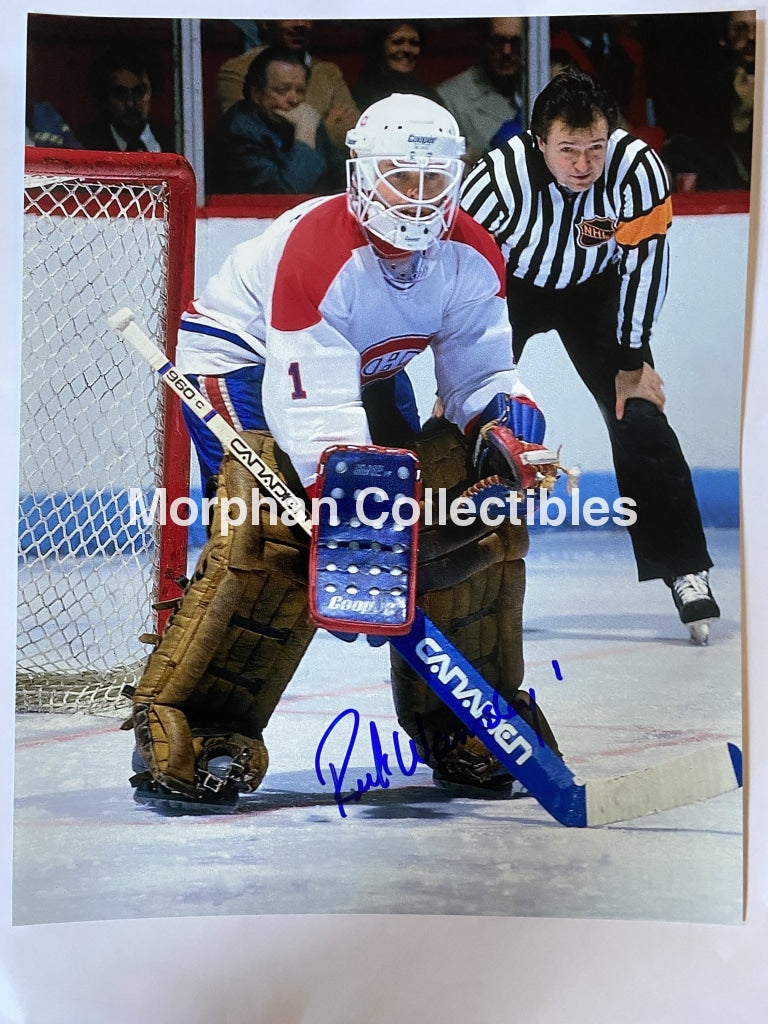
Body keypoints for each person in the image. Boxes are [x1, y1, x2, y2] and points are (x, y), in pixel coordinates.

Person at [127, 93, 562, 812]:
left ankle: (464, 727)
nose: (419, 199)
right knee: (274, 538)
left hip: (366, 369)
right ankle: (195, 730)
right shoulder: (321, 250)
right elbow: (318, 417)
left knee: (464, 517)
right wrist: (357, 543)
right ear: (362, 173)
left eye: (433, 180)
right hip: (240, 361)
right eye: (400, 177)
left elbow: (482, 376)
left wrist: (504, 432)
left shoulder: (473, 252)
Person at [461, 68, 720, 644]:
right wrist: (461, 371)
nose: (584, 164)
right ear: (537, 144)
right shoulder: (495, 181)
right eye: (568, 150)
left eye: (595, 147)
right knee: (470, 420)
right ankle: (454, 571)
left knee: (641, 418)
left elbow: (645, 265)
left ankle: (684, 568)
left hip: (597, 293)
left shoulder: (637, 169)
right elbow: (462, 277)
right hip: (511, 291)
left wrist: (632, 362)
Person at [207, 46, 345, 196]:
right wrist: (305, 134)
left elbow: (341, 177)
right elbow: (286, 192)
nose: (294, 99)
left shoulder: (300, 118)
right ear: (257, 94)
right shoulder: (236, 133)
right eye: (282, 90)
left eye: (300, 91)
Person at [216, 20, 359, 151]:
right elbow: (249, 138)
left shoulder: (328, 72)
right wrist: (317, 128)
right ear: (266, 22)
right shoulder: (237, 70)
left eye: (306, 15)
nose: (301, 24)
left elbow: (355, 134)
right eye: (289, 14)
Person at [661, 10, 754, 190]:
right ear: (725, 37)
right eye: (741, 28)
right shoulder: (702, 90)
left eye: (760, 29)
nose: (752, 36)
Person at [437, 17, 525, 167]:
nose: (506, 51)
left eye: (516, 42)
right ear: (484, 42)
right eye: (498, 41)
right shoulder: (451, 97)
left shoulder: (539, 84)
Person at [77, 44, 175, 153]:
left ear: (152, 91)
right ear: (106, 97)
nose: (130, 103)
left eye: (139, 92)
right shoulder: (86, 145)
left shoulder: (175, 143)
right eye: (120, 93)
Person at [352, 21, 442, 111]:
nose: (407, 49)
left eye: (414, 43)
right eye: (397, 42)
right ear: (380, 46)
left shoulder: (428, 96)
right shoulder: (360, 96)